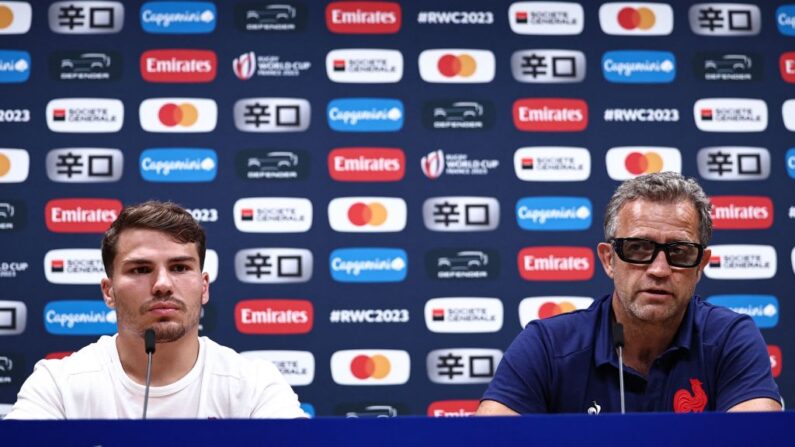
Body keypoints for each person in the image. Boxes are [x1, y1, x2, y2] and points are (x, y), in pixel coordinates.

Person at [478, 172, 781, 414]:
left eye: (680, 252)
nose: (659, 269)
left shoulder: (731, 339)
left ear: (700, 265)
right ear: (609, 260)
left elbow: (759, 438)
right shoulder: (547, 346)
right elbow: (487, 441)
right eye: (638, 248)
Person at [6, 201, 307, 419]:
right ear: (108, 292)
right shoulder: (58, 385)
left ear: (204, 287)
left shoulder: (254, 385)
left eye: (179, 267)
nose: (162, 284)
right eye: (140, 269)